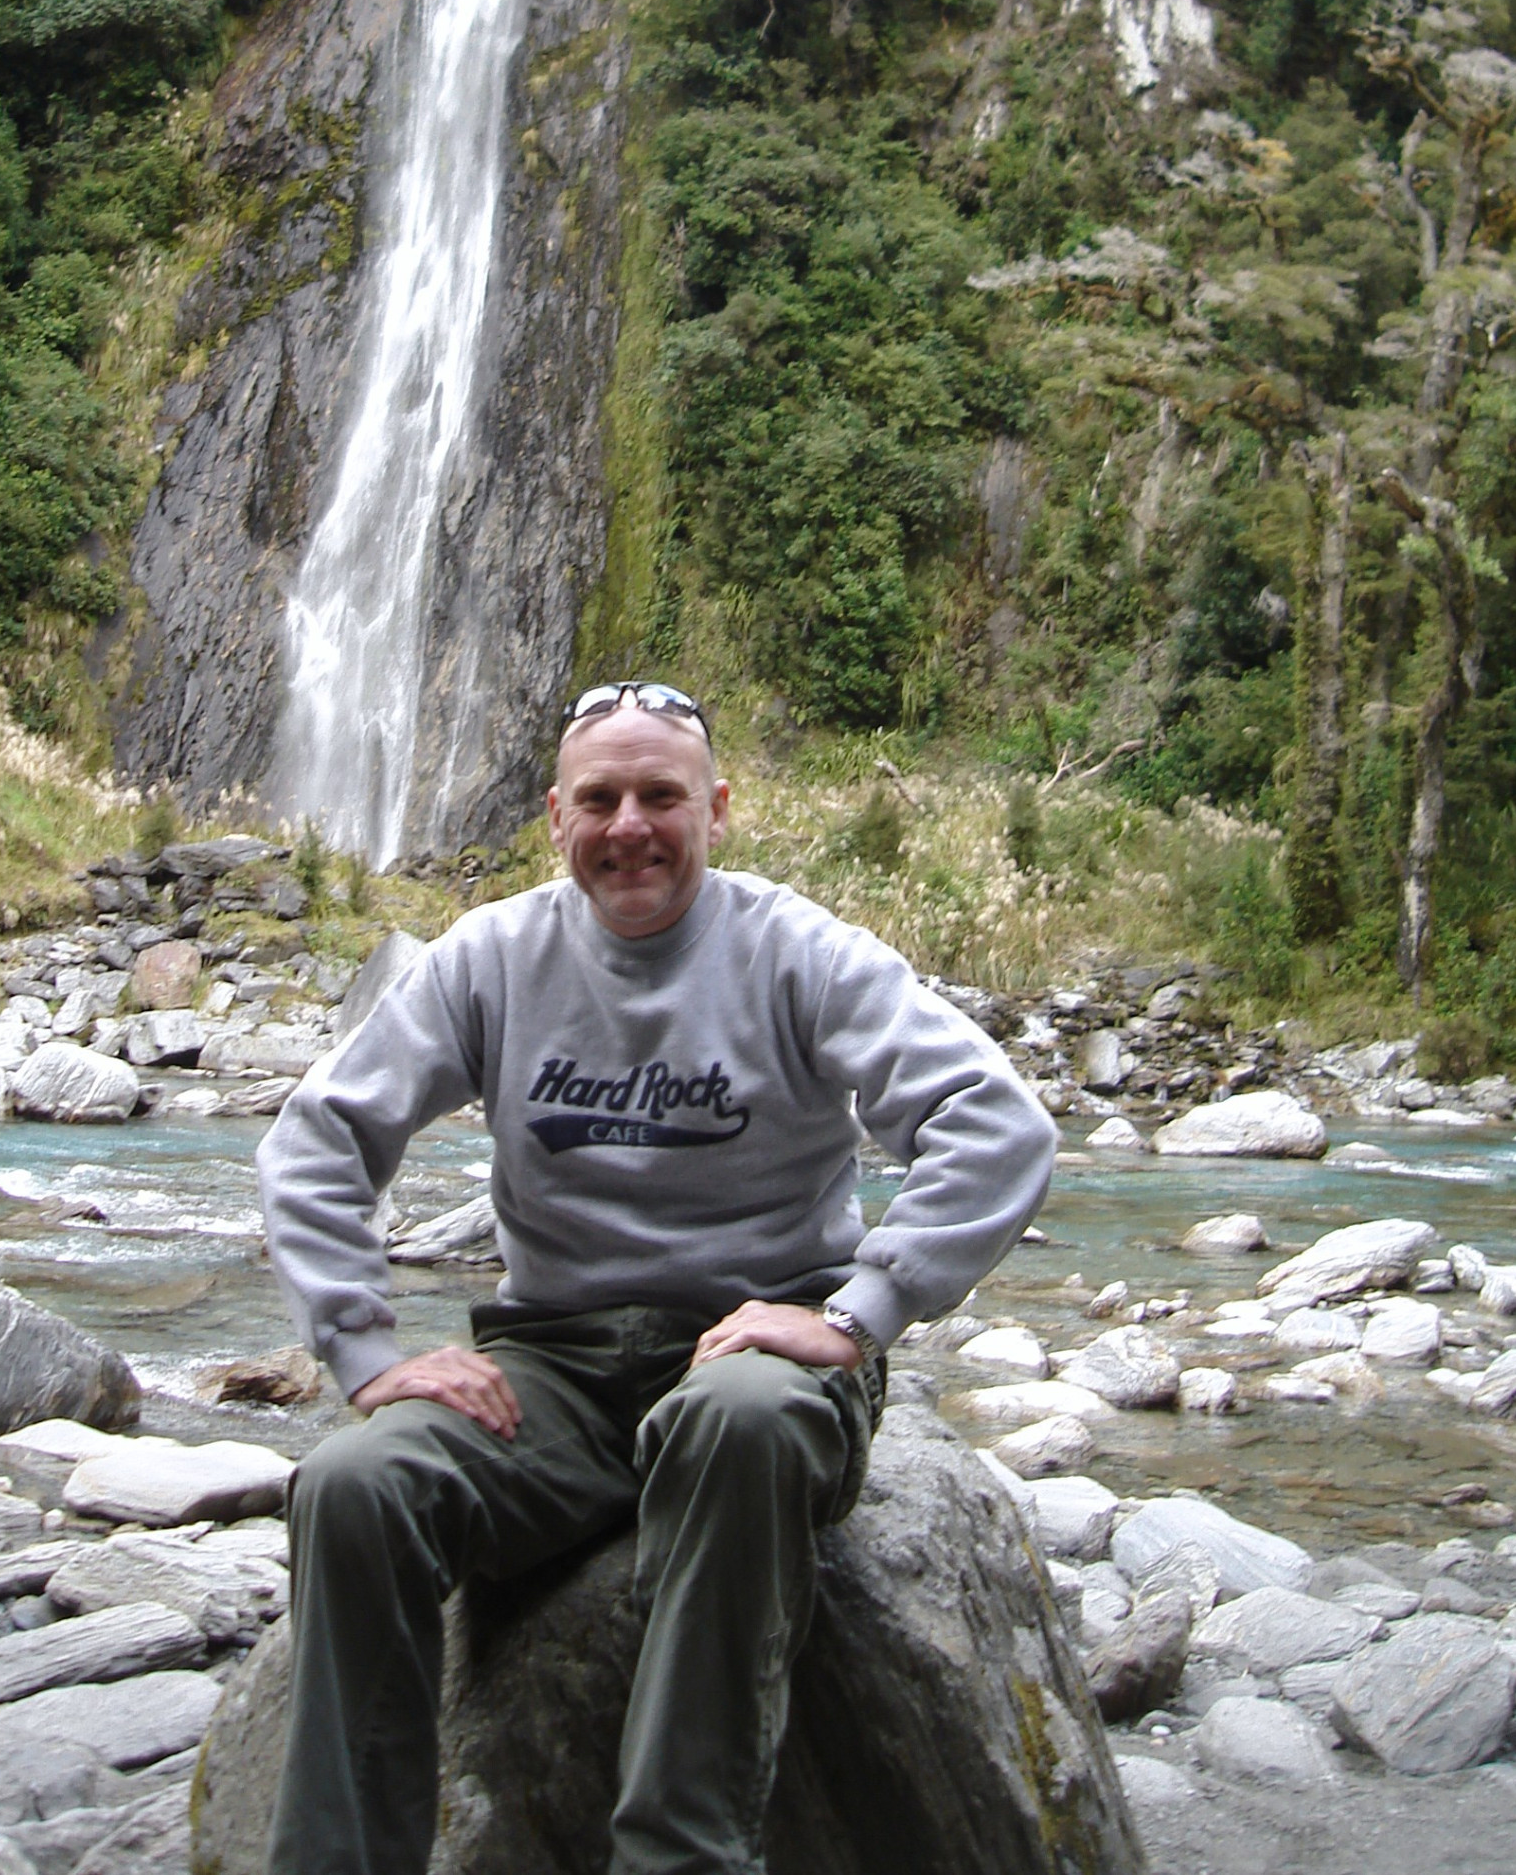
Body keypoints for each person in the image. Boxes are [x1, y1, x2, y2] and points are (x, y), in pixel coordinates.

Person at [258, 679, 1057, 1875]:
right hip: (553, 1367)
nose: (628, 823)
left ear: (716, 808)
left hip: (754, 1354)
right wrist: (365, 1349)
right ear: (555, 816)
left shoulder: (799, 950)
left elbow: (995, 1120)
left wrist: (858, 1313)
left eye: (659, 795)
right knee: (351, 1484)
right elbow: (319, 1135)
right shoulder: (489, 957)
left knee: (737, 1420)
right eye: (600, 798)